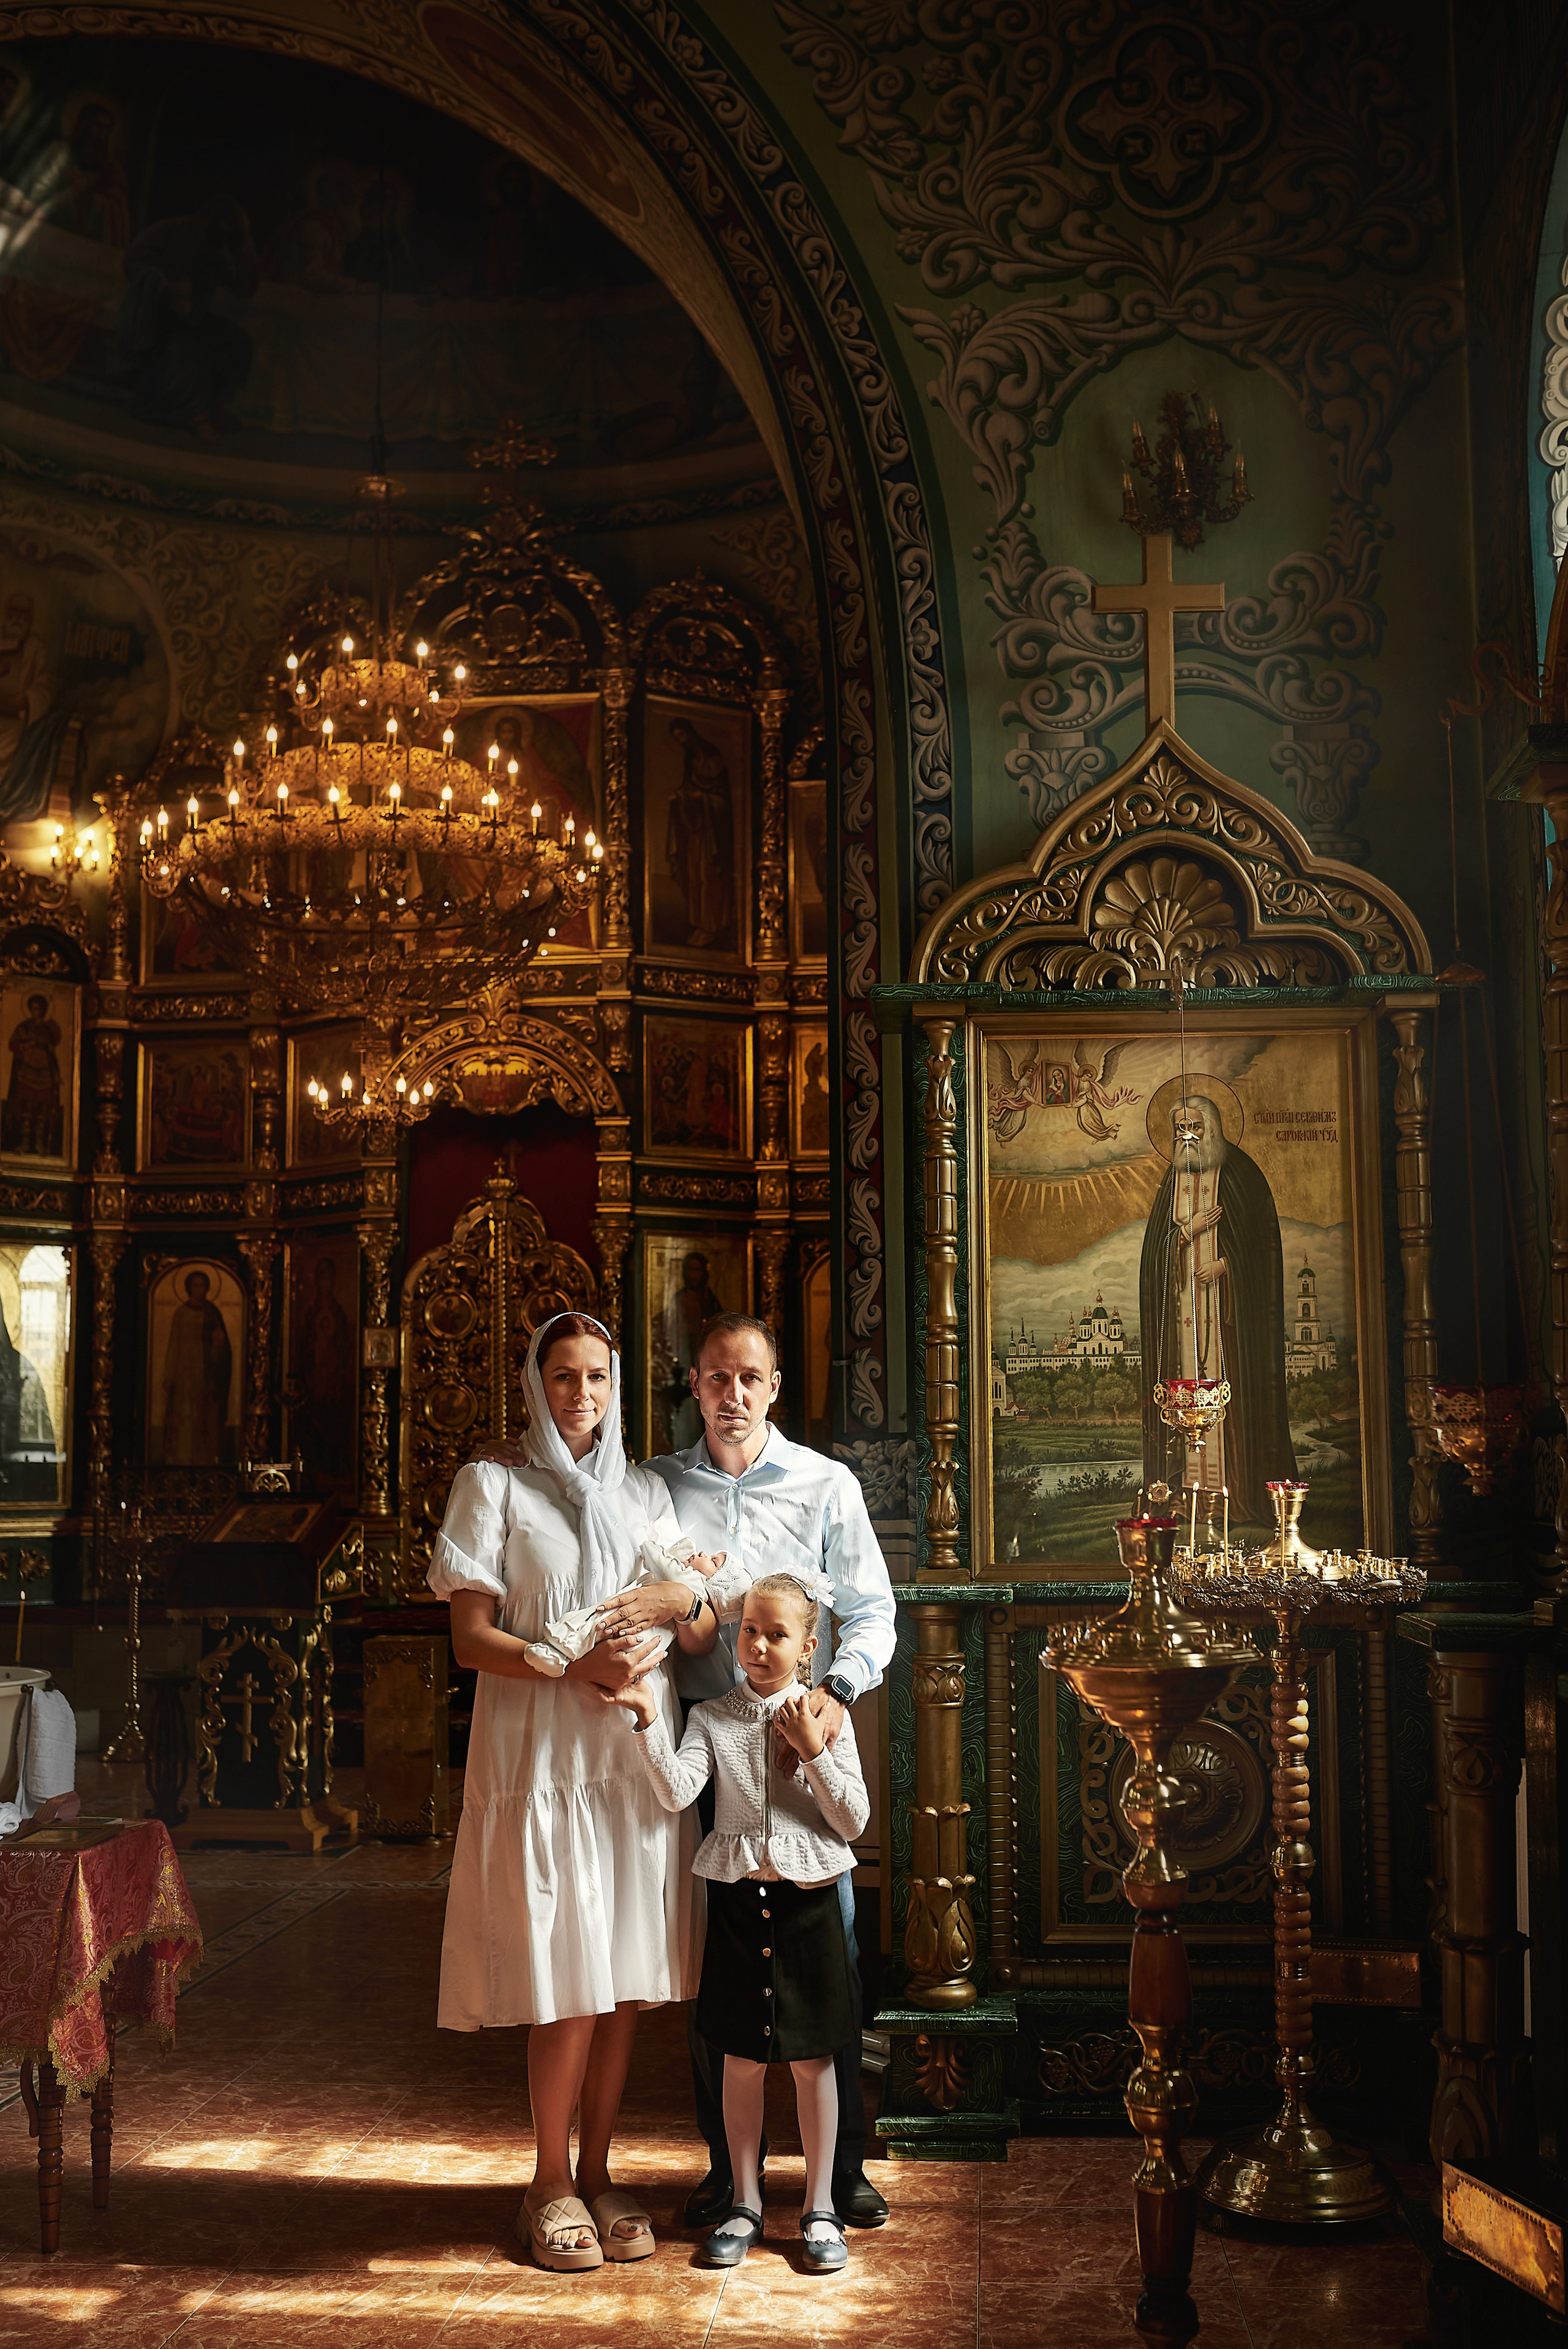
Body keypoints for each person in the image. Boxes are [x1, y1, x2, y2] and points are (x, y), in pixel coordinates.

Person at [428, 1311, 728, 2274]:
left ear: (617, 1385)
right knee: (566, 1978)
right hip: (544, 1756)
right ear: (536, 1382)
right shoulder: (496, 1484)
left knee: (624, 1978)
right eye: (565, 1376)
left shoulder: (643, 1491)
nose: (582, 1395)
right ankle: (546, 2180)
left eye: (598, 1376)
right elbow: (471, 1637)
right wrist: (571, 1670)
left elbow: (695, 1625)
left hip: (633, 1760)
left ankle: (601, 2172)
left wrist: (679, 1604)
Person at [630, 1311, 895, 2231]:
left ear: (776, 1385)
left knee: (836, 1956)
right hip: (704, 1744)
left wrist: (839, 1694)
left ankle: (844, 2169)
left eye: (749, 1377)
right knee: (719, 1968)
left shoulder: (827, 1484)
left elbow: (871, 1611)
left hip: (801, 1747)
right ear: (694, 1387)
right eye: (714, 1378)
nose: (732, 1394)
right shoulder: (657, 1485)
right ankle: (726, 2171)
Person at [617, 1569, 868, 2275]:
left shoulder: (826, 1718)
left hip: (810, 1900)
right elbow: (675, 1792)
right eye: (748, 1631)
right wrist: (645, 1717)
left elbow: (853, 1820)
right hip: (735, 1901)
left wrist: (814, 1751)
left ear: (808, 1648)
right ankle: (746, 2204)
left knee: (815, 2059)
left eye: (777, 1635)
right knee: (739, 2060)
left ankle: (820, 2208)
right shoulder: (712, 1717)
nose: (758, 1645)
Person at [1139, 1092, 1295, 1523]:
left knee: (1234, 1400)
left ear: (1213, 1127)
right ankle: (1182, 1498)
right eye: (1179, 1129)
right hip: (1181, 1320)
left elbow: (1263, 1248)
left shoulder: (1242, 1174)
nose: (1186, 1136)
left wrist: (1227, 1265)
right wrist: (1189, 1230)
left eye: (1195, 1127)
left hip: (1230, 1324)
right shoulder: (1172, 1183)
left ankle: (1237, 1497)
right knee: (1183, 1390)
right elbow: (1156, 1256)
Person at [664, 719, 734, 949]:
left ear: (691, 734)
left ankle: (713, 925)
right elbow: (690, 788)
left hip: (713, 833)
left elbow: (720, 796)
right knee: (695, 875)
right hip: (698, 832)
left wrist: (700, 798)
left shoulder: (712, 755)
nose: (682, 742)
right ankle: (700, 925)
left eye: (683, 736)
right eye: (678, 739)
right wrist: (681, 797)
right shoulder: (689, 760)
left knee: (710, 876)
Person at [160, 1268, 232, 1466]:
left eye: (202, 1286)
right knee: (184, 1416)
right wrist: (169, 1375)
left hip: (206, 1373)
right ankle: (181, 1461)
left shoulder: (212, 1313)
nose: (199, 1290)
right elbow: (174, 1344)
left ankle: (205, 1462)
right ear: (188, 1289)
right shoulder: (181, 1313)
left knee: (204, 1418)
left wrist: (216, 1352)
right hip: (185, 1372)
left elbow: (222, 1346)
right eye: (195, 1286)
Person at [1, 991, 62, 1156]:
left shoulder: (48, 1030)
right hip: (27, 1072)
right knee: (26, 1109)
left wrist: (55, 1073)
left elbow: (51, 1054)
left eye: (39, 1009)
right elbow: (13, 1046)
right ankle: (25, 1143)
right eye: (34, 1009)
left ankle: (40, 1145)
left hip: (44, 1074)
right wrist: (28, 1045)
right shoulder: (24, 1027)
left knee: (42, 1111)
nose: (37, 1012)